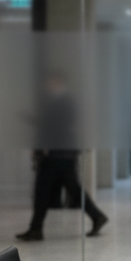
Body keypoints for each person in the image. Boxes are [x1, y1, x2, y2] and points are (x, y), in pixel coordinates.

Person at [17, 72, 108, 241]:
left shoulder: (65, 101)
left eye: (50, 81)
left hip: (58, 154)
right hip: (59, 153)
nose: (47, 85)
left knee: (44, 191)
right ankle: (96, 217)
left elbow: (56, 126)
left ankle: (36, 229)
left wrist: (43, 143)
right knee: (67, 190)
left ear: (58, 81)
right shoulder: (59, 101)